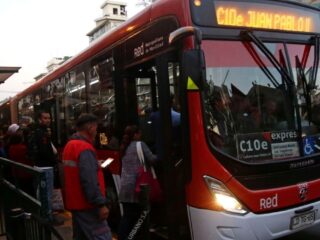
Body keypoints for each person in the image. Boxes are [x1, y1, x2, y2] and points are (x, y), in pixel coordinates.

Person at [62, 113, 112, 240]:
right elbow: (89, 180)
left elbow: (77, 171)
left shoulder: (70, 145)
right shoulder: (84, 148)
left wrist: (93, 164)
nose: (97, 131)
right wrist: (100, 204)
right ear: (90, 128)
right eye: (96, 127)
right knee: (102, 236)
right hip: (88, 206)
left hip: (75, 203)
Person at [118, 125, 157, 240]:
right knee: (140, 218)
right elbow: (152, 159)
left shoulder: (123, 147)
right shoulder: (140, 145)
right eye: (140, 133)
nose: (141, 136)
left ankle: (123, 237)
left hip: (124, 187)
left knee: (127, 217)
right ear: (135, 134)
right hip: (138, 187)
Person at [28, 110, 62, 225]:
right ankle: (48, 218)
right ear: (39, 119)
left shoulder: (39, 131)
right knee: (47, 193)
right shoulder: (41, 133)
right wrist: (54, 160)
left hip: (41, 166)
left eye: (49, 118)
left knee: (43, 193)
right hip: (45, 167)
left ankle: (46, 214)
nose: (48, 120)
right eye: (45, 118)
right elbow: (44, 151)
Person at [8, 125, 34, 195]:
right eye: (18, 131)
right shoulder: (23, 148)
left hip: (16, 172)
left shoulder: (10, 146)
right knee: (28, 189)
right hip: (25, 172)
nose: (21, 132)